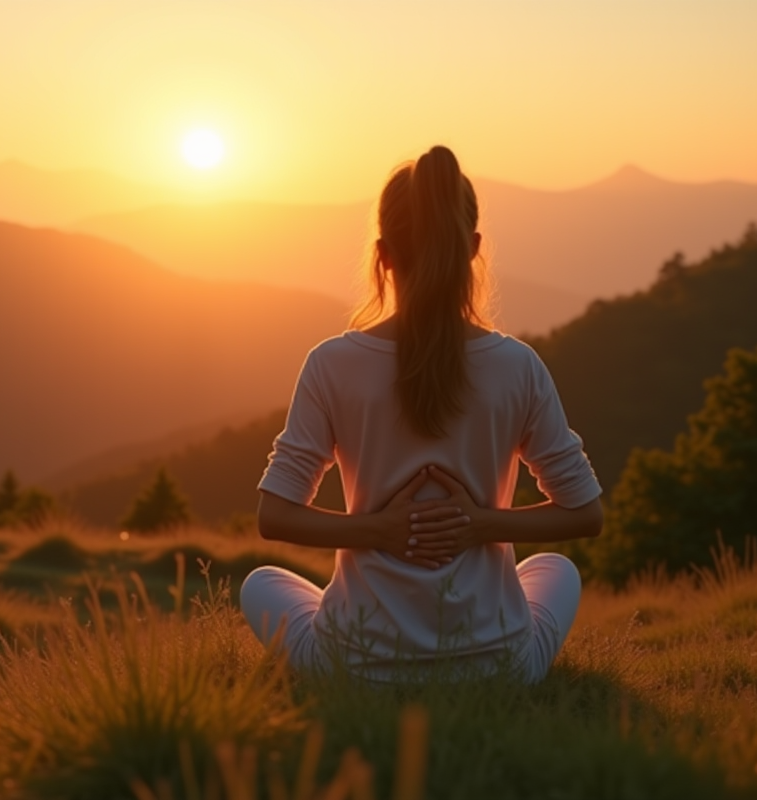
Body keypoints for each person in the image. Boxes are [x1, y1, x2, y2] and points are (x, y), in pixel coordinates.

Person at [240, 145, 603, 684]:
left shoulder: (332, 364)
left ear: (383, 254)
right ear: (473, 248)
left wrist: (379, 531)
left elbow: (276, 516)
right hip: (499, 668)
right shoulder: (516, 366)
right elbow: (585, 514)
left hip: (355, 665)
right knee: (556, 570)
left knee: (260, 583)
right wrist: (479, 525)